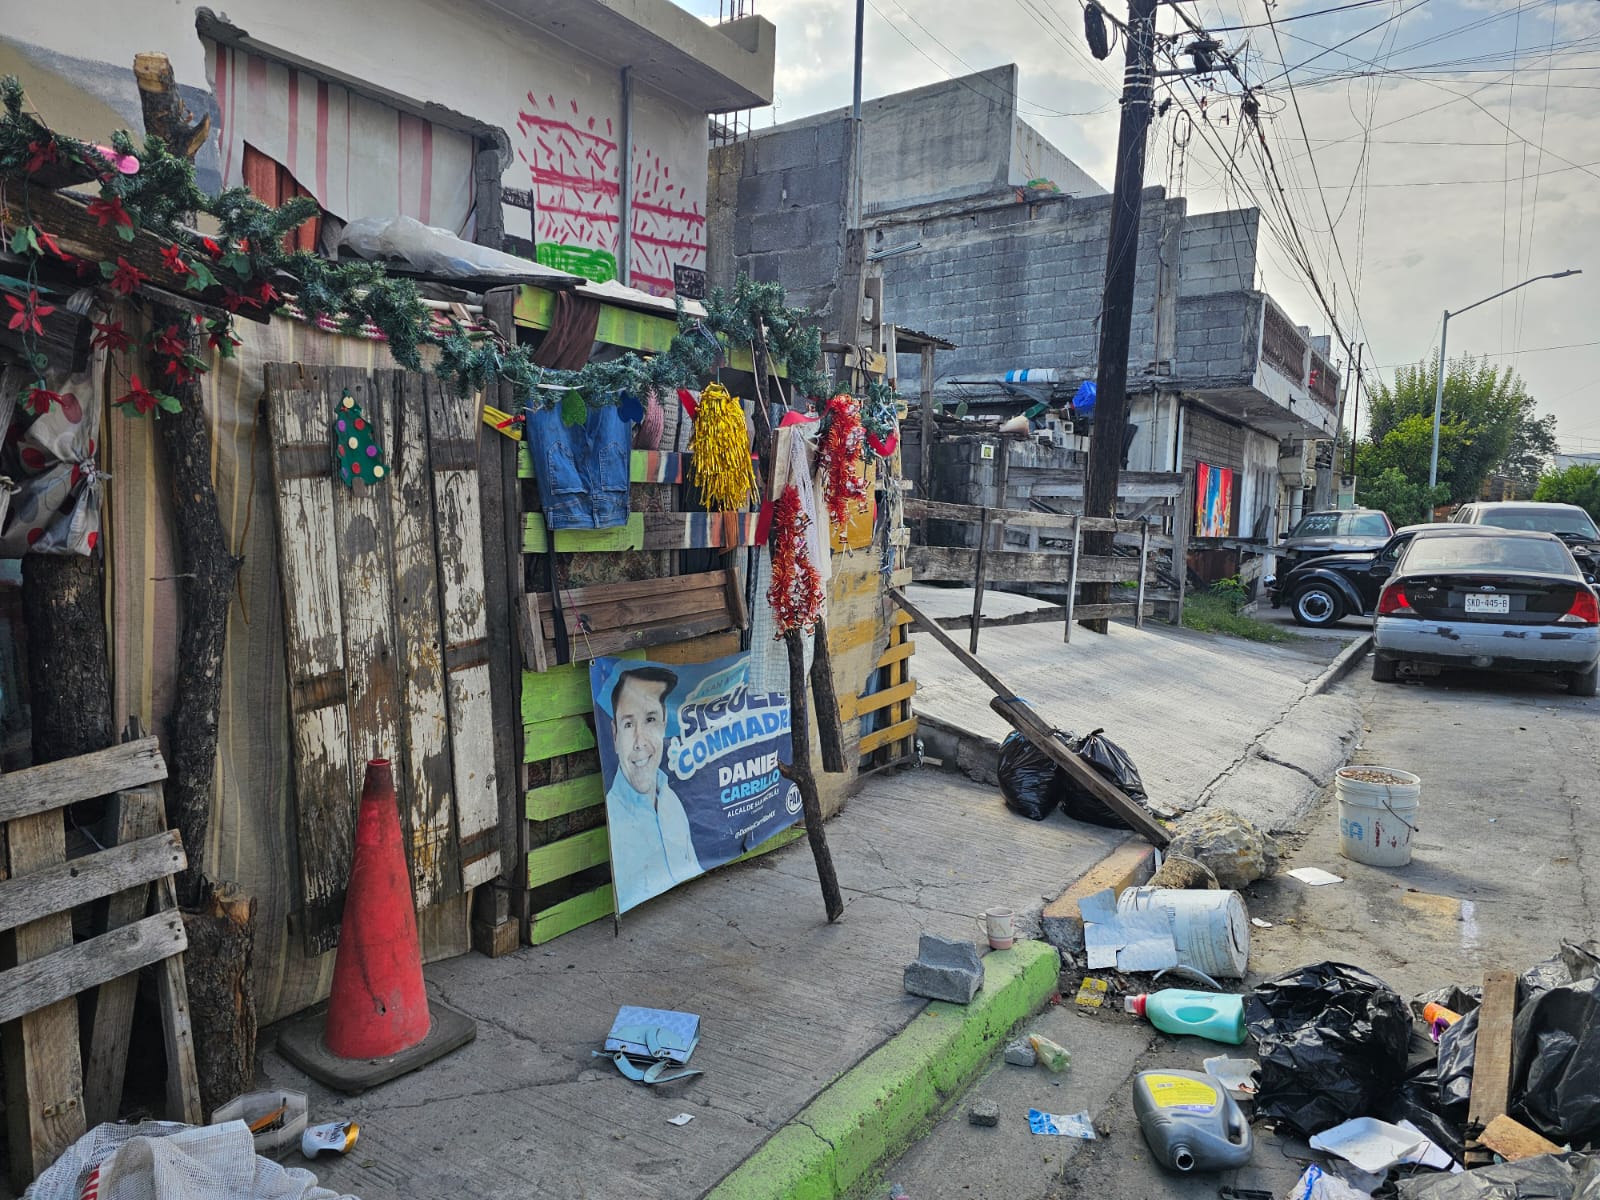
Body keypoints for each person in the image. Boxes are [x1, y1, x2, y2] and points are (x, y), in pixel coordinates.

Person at [604, 665, 702, 912]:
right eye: (628, 725)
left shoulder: (671, 801)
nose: (640, 742)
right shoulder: (613, 817)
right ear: (614, 735)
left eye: (650, 720)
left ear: (664, 724)